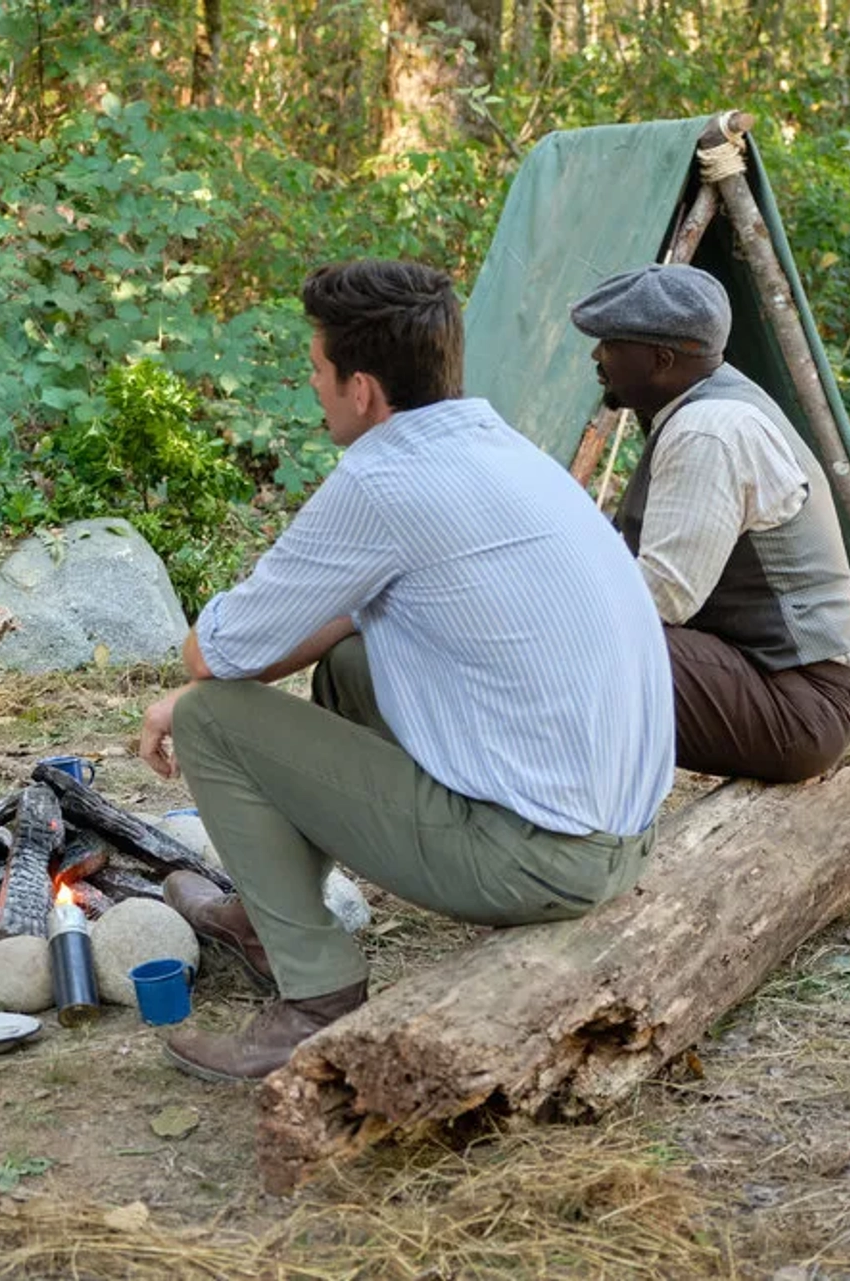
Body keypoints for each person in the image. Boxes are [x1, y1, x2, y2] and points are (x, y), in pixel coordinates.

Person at [136, 259, 674, 1083]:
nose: (310, 385)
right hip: (618, 835)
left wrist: (188, 691)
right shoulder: (498, 444)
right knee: (352, 662)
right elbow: (345, 618)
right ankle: (265, 911)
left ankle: (314, 994)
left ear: (363, 390)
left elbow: (215, 650)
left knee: (212, 716)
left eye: (316, 369)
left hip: (538, 859)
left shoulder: (385, 480)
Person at [571, 263, 850, 783]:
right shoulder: (709, 401)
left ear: (661, 359)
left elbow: (662, 598)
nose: (598, 356)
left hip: (797, 705)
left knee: (568, 647)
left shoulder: (708, 430)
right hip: (779, 680)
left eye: (611, 345)